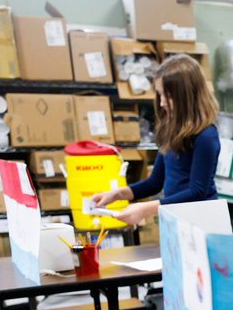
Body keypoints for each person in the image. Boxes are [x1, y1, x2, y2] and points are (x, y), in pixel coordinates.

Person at [91, 54, 220, 224]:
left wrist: (145, 208)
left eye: (168, 96)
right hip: (178, 217)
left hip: (203, 221)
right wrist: (116, 194)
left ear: (187, 95)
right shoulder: (171, 131)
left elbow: (196, 192)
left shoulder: (206, 136)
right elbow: (154, 182)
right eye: (160, 95)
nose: (162, 103)